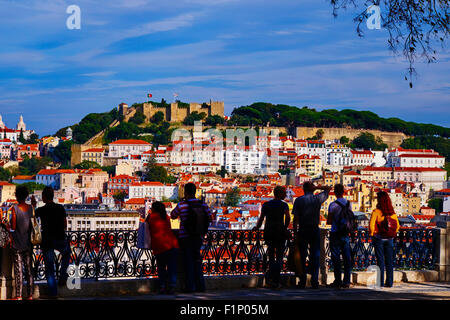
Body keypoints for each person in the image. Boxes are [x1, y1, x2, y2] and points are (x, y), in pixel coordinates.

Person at [171, 183, 213, 293]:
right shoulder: (202, 204)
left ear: (185, 192)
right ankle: (201, 286)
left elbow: (172, 215)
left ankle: (190, 287)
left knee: (188, 262)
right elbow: (210, 218)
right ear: (195, 192)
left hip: (185, 237)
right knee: (197, 261)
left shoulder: (182, 205)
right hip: (198, 236)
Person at [32, 186, 71, 298]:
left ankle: (53, 293)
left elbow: (33, 219)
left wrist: (33, 206)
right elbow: (64, 225)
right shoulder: (60, 208)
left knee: (49, 268)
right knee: (67, 253)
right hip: (59, 238)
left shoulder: (41, 210)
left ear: (44, 197)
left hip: (47, 240)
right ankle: (63, 275)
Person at [292, 181, 331, 289]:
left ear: (303, 189)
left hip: (303, 229)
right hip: (314, 229)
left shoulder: (299, 200)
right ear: (312, 189)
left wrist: (295, 233)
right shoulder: (317, 199)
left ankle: (303, 280)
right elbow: (328, 188)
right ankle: (314, 281)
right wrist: (317, 187)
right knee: (315, 256)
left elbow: (295, 219)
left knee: (303, 256)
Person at [253, 186, 290, 289]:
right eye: (284, 193)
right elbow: (287, 217)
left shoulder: (266, 205)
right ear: (279, 194)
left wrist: (257, 227)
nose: (286, 195)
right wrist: (285, 228)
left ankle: (272, 279)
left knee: (271, 256)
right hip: (280, 232)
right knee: (279, 257)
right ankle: (276, 280)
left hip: (269, 232)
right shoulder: (284, 205)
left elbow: (261, 219)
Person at [369, 191, 400, 288]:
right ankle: (389, 283)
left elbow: (371, 226)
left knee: (380, 261)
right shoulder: (392, 213)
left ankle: (380, 283)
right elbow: (398, 226)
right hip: (390, 239)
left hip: (379, 238)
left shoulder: (376, 212)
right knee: (389, 261)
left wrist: (372, 234)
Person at [8, 185, 34, 300]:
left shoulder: (14, 209)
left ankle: (18, 295)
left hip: (17, 243)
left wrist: (6, 225)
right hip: (28, 243)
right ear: (26, 196)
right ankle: (30, 295)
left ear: (17, 196)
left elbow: (13, 226)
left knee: (19, 270)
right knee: (29, 270)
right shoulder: (31, 208)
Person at [148, 201, 179, 294]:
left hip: (159, 246)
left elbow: (145, 227)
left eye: (152, 208)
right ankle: (171, 287)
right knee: (171, 267)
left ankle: (162, 286)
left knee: (161, 268)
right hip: (172, 244)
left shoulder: (151, 217)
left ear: (154, 209)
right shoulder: (166, 217)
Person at [326, 184, 352, 288]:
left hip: (335, 232)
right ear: (343, 192)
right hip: (345, 233)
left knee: (336, 258)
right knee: (346, 258)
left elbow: (328, 221)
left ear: (335, 192)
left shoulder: (332, 205)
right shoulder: (349, 204)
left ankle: (338, 281)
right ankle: (347, 281)